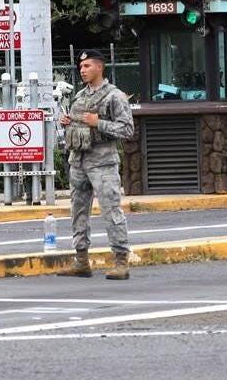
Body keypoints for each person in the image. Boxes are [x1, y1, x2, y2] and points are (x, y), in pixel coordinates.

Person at [58, 50, 134, 280]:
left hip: (103, 163)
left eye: (88, 66)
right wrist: (68, 123)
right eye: (81, 66)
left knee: (111, 210)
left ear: (100, 67)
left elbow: (127, 129)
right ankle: (81, 260)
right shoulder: (79, 96)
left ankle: (121, 261)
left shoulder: (114, 96)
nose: (83, 70)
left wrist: (99, 123)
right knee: (78, 212)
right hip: (78, 161)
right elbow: (79, 126)